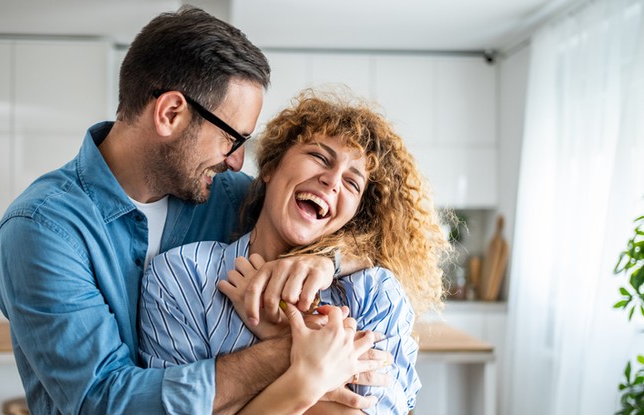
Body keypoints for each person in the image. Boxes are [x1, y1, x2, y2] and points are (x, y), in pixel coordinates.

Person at [0, 7, 380, 415]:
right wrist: (295, 352)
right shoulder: (42, 230)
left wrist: (328, 260)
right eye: (231, 138)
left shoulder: (229, 196)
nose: (236, 161)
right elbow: (104, 401)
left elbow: (364, 240)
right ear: (170, 113)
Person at [139, 90, 450, 414]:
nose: (331, 181)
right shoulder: (180, 277)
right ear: (271, 167)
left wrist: (289, 343)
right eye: (320, 157)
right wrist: (317, 371)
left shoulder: (375, 293)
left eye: (352, 183)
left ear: (355, 212)